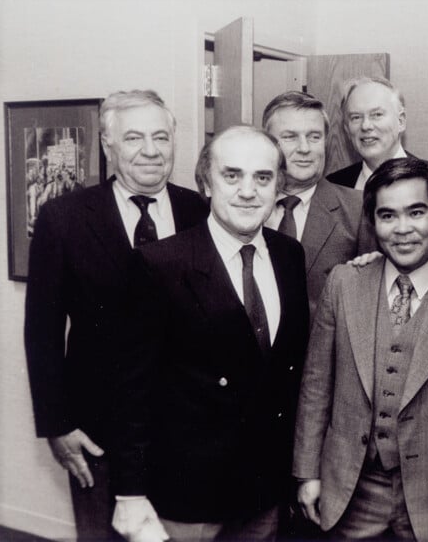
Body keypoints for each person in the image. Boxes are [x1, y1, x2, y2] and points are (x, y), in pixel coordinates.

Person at [24, 89, 208, 541]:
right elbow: (42, 331)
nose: (151, 150)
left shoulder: (201, 212)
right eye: (134, 138)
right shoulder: (63, 218)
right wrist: (56, 425)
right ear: (108, 146)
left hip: (185, 428)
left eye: (161, 137)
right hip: (96, 430)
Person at [110, 125, 309, 542]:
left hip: (263, 492)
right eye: (232, 175)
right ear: (206, 183)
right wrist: (129, 492)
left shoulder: (289, 255)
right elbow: (130, 391)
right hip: (187, 497)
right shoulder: (159, 264)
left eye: (263, 177)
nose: (248, 191)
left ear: (278, 188)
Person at [293, 157, 428, 541]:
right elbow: (316, 385)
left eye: (417, 212)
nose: (402, 229)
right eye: (387, 215)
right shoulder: (344, 283)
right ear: (372, 223)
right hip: (351, 491)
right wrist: (308, 472)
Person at [262, 90, 375, 320]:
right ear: (268, 144)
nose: (304, 148)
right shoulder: (246, 208)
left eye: (314, 137)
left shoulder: (360, 209)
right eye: (290, 137)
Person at [326, 76, 428, 199]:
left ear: (401, 121)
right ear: (346, 129)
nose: (366, 126)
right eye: (356, 117)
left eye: (377, 115)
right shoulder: (332, 187)